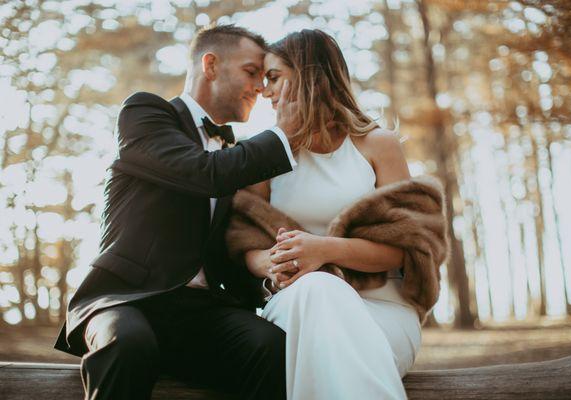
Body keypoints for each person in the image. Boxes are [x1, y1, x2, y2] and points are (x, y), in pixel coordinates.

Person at [54, 24, 300, 400]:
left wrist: (268, 276)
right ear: (211, 65)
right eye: (252, 72)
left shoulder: (234, 154)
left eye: (267, 78)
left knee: (269, 344)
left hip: (199, 312)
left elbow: (223, 247)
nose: (261, 88)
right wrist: (286, 133)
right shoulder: (146, 113)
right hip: (125, 299)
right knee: (129, 344)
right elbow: (202, 174)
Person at [226, 29, 449, 400]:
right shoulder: (264, 155)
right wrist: (271, 262)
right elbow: (243, 241)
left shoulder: (379, 146)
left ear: (309, 75)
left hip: (383, 310)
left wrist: (324, 250)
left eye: (275, 77)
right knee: (317, 288)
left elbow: (407, 248)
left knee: (323, 290)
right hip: (294, 306)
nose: (266, 91)